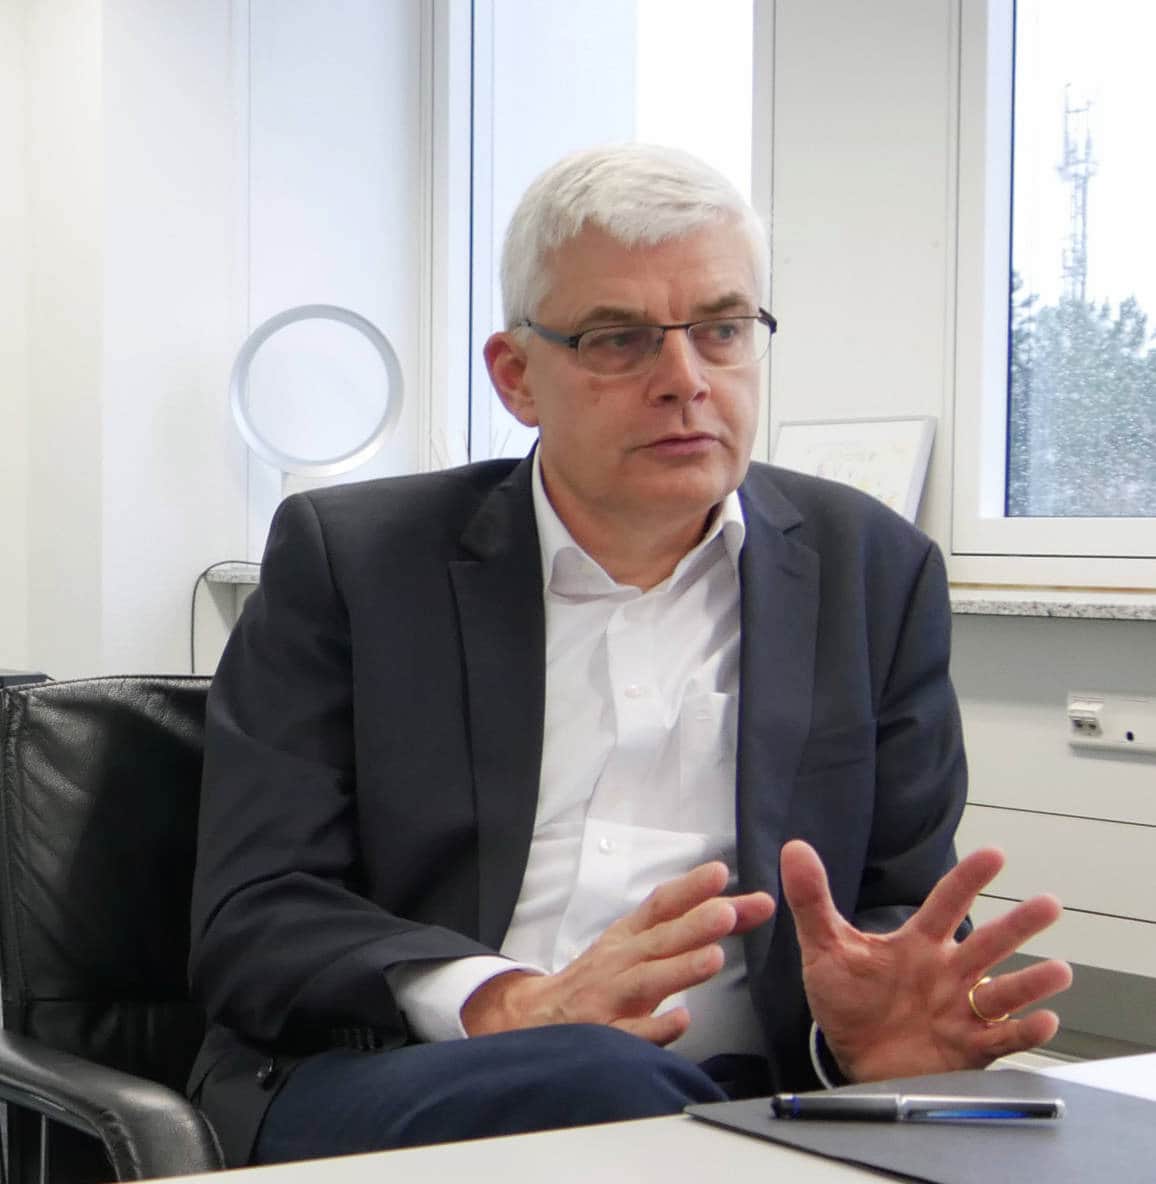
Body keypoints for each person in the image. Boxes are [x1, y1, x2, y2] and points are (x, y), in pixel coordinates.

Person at [187, 144, 1072, 1167]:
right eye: (619, 340)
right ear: (516, 376)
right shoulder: (355, 561)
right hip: (393, 1071)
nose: (685, 381)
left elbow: (894, 904)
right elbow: (256, 911)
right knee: (605, 1083)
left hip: (754, 1094)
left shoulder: (873, 569)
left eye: (722, 329)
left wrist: (859, 1044)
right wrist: (508, 1001)